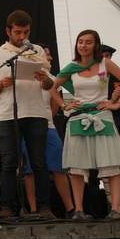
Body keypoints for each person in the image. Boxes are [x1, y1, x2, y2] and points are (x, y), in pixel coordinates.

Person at [52, 30, 120, 220]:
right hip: (79, 118)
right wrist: (64, 105)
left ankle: (116, 209)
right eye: (80, 42)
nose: (83, 45)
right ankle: (79, 210)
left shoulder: (105, 63)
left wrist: (116, 104)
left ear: (96, 45)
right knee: (77, 167)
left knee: (111, 164)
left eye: (88, 42)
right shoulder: (72, 67)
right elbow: (53, 87)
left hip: (103, 116)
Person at [0, 10, 54, 218]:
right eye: (18, 32)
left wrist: (44, 79)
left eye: (26, 32)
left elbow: (49, 84)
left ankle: (44, 207)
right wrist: (0, 84)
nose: (22, 37)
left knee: (39, 162)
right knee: (9, 162)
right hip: (8, 114)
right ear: (8, 31)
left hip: (36, 112)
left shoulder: (37, 50)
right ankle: (7, 207)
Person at [22, 44, 74, 218]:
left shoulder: (52, 78)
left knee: (58, 167)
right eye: (46, 55)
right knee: (29, 170)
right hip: (28, 126)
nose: (49, 58)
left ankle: (70, 208)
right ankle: (34, 209)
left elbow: (54, 107)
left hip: (48, 125)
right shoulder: (25, 76)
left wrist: (46, 118)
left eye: (49, 55)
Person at [101, 44, 120, 176]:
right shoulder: (90, 77)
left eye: (107, 56)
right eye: (101, 56)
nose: (104, 59)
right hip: (100, 121)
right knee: (107, 161)